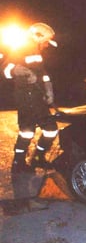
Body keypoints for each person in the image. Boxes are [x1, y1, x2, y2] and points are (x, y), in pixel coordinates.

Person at [3, 22, 59, 172]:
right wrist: (21, 71)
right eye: (45, 41)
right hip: (25, 98)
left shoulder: (36, 52)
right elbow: (6, 70)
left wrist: (49, 91)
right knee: (27, 132)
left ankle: (37, 158)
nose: (46, 45)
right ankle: (18, 163)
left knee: (51, 129)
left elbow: (42, 74)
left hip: (38, 98)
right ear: (37, 36)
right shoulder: (21, 48)